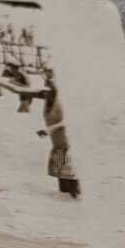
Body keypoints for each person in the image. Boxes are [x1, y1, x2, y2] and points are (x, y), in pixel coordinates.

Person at [34, 70, 80, 198]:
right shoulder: (48, 102)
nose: (46, 92)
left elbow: (69, 121)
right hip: (58, 144)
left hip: (66, 143)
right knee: (59, 170)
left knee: (69, 172)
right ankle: (67, 196)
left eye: (49, 89)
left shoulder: (60, 102)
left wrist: (49, 129)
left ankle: (73, 196)